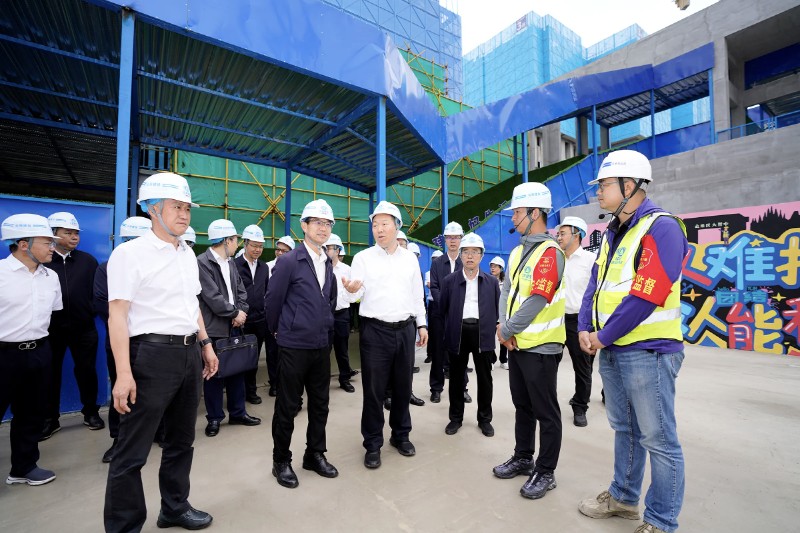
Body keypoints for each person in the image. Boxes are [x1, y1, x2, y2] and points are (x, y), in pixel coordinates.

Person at [577, 150, 688, 533]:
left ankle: (661, 520)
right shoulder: (612, 232)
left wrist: (602, 336)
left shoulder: (662, 227)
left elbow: (647, 295)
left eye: (605, 185)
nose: (598, 192)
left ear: (630, 185)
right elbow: (595, 285)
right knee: (625, 429)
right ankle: (624, 498)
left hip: (649, 351)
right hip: (612, 348)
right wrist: (584, 327)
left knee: (659, 438)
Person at [104, 172, 218, 532]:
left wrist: (205, 344)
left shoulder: (187, 253)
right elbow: (117, 315)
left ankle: (174, 507)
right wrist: (124, 373)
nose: (184, 214)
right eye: (176, 207)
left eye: (187, 208)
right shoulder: (129, 254)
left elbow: (192, 305)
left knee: (182, 440)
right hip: (150, 357)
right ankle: (124, 526)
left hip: (188, 354)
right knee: (132, 451)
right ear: (152, 209)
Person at [341, 201, 428, 470]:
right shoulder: (363, 258)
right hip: (375, 331)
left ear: (397, 226)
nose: (379, 229)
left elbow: (417, 295)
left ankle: (401, 435)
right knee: (374, 390)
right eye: (375, 225)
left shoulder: (409, 258)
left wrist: (422, 324)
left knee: (403, 387)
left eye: (384, 224)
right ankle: (373, 443)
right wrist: (351, 291)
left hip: (405, 330)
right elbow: (355, 294)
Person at [494, 181, 566, 501]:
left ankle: (546, 470)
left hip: (542, 347)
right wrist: (503, 327)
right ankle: (523, 457)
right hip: (518, 344)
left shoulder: (551, 253)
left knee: (545, 411)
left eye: (518, 212)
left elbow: (537, 299)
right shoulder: (516, 252)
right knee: (522, 406)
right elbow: (507, 290)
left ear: (535, 213)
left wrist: (508, 330)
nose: (513, 217)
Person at [266, 199, 339, 489]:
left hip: (321, 345)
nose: (323, 228)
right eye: (317, 222)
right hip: (294, 345)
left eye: (327, 223)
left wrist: (325, 324)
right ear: (304, 226)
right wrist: (278, 331)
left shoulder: (327, 262)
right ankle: (281, 460)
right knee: (287, 405)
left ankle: (314, 454)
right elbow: (272, 301)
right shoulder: (289, 261)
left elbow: (330, 299)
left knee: (320, 404)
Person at [1, 214, 62, 486]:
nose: (52, 248)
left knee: (31, 413)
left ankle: (23, 467)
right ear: (23, 244)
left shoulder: (51, 277)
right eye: (47, 242)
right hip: (4, 354)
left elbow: (54, 313)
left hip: (39, 351)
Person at [93, 216, 152, 464]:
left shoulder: (156, 268)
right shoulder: (107, 268)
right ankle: (118, 439)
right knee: (122, 390)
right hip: (121, 342)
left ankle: (155, 433)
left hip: (152, 343)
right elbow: (102, 304)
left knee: (152, 392)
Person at [41, 211, 102, 440]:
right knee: (50, 374)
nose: (74, 237)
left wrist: (90, 310)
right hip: (50, 330)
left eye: (76, 233)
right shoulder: (44, 262)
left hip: (84, 328)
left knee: (87, 371)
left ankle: (91, 412)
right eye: (68, 232)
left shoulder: (88, 261)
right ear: (53, 235)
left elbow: (98, 292)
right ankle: (50, 419)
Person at [198, 219, 261, 437]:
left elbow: (241, 292)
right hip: (215, 329)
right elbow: (212, 297)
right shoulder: (202, 263)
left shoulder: (230, 263)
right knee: (213, 374)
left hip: (235, 325)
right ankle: (214, 418)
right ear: (226, 240)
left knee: (237, 370)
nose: (237, 244)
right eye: (235, 240)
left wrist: (240, 313)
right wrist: (235, 313)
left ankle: (238, 413)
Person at [439, 233, 499, 438]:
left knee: (485, 378)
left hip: (483, 333)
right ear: (461, 255)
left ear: (481, 255)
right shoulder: (449, 281)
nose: (470, 256)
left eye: (475, 252)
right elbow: (443, 310)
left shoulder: (491, 282)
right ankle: (455, 418)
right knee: (456, 378)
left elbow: (496, 310)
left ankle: (485, 419)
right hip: (458, 333)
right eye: (466, 252)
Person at [554, 216, 596, 428]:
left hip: (580, 321)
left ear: (576, 234)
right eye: (558, 234)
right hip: (555, 319)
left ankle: (580, 406)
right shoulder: (555, 258)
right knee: (548, 363)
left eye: (563, 233)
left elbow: (596, 292)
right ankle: (546, 403)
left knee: (583, 367)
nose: (559, 237)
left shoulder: (591, 260)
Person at [429, 222, 471, 404]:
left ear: (461, 239)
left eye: (456, 237)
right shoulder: (437, 263)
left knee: (460, 353)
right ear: (444, 240)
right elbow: (434, 287)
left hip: (460, 317)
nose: (453, 241)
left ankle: (462, 388)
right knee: (438, 353)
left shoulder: (466, 263)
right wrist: (447, 304)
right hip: (440, 315)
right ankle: (436, 388)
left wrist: (456, 307)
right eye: (449, 237)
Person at [235, 224, 270, 405]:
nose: (257, 249)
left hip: (259, 320)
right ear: (245, 243)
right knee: (239, 359)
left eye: (260, 246)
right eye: (254, 245)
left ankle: (251, 391)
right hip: (240, 321)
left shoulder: (264, 267)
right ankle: (237, 394)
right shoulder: (234, 265)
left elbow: (266, 291)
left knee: (253, 359)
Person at [325, 233, 357, 393]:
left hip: (341, 314)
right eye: (324, 248)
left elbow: (353, 294)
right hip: (324, 315)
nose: (325, 251)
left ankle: (344, 379)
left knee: (342, 349)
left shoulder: (347, 270)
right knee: (323, 350)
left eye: (328, 248)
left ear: (337, 250)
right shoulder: (320, 268)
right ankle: (322, 381)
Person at [264, 235, 295, 397]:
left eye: (285, 251)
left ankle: (287, 384)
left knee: (289, 354)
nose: (280, 253)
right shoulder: (267, 267)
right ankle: (274, 383)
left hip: (289, 318)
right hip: (272, 315)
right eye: (278, 249)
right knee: (272, 352)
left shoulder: (296, 268)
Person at [489, 256, 508, 370]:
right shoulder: (487, 280)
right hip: (491, 314)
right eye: (491, 266)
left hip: (502, 315)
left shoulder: (506, 282)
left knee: (503, 337)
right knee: (490, 338)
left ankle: (503, 360)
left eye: (495, 266)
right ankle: (491, 360)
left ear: (501, 268)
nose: (493, 268)